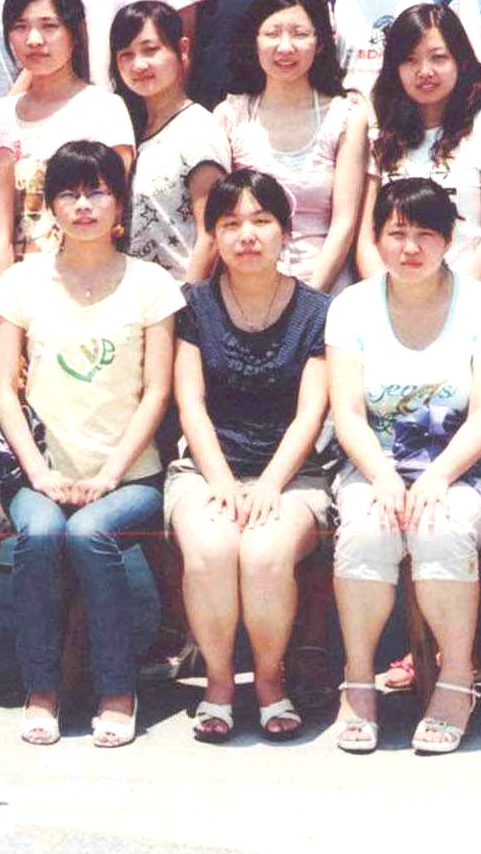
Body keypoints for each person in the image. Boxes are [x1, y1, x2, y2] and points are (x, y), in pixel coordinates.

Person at [0, 141, 181, 745]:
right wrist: (38, 474)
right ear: (50, 206)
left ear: (120, 202)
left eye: (97, 191)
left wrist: (110, 474)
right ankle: (42, 688)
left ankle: (117, 689)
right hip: (41, 470)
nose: (83, 205)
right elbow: (2, 390)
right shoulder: (21, 282)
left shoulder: (151, 284)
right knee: (43, 533)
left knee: (90, 533)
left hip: (130, 476)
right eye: (69, 194)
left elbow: (157, 392)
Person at [314, 175, 481, 755]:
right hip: (374, 468)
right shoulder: (351, 307)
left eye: (427, 234)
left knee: (438, 527)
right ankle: (358, 681)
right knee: (367, 530)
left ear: (449, 239)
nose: (411, 248)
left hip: (466, 472)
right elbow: (347, 412)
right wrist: (380, 475)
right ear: (377, 238)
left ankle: (455, 680)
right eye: (397, 233)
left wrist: (438, 477)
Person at [158, 168, 332, 744]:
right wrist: (221, 481)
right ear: (213, 235)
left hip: (293, 474)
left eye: (262, 221)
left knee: (263, 552)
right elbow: (190, 404)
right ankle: (217, 683)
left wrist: (270, 486)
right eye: (230, 224)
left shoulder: (317, 310)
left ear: (286, 231)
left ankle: (269, 680)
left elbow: (310, 415)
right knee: (211, 549)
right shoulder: (193, 304)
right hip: (206, 468)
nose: (247, 235)